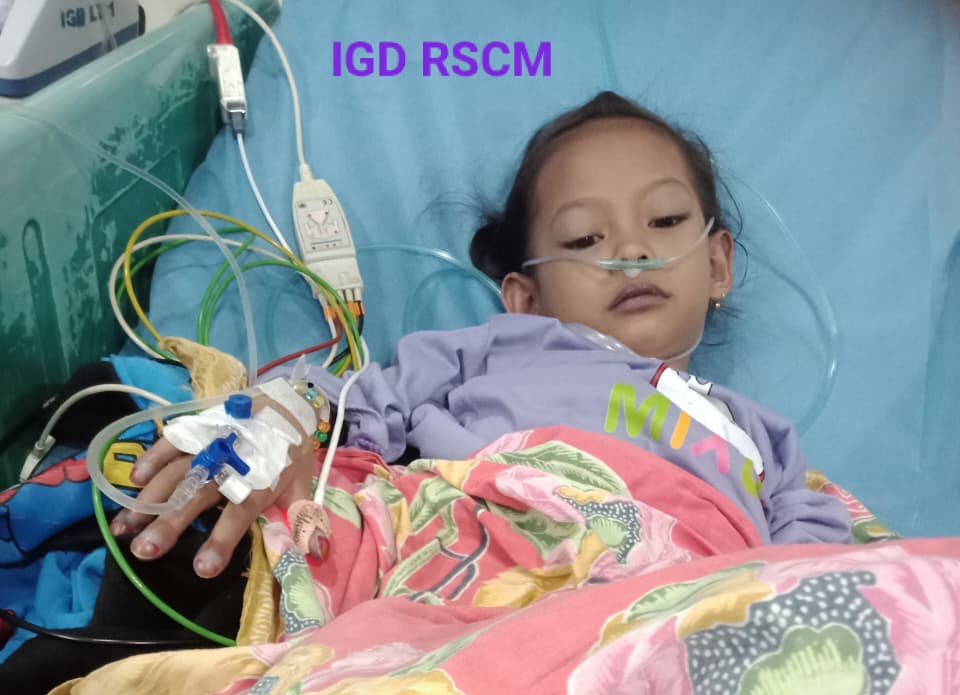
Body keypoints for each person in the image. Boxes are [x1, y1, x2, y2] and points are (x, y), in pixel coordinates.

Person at [113, 92, 852, 577]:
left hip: (680, 611)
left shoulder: (759, 438)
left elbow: (823, 576)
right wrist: (282, 417)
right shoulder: (493, 353)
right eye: (585, 237)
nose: (631, 250)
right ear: (524, 300)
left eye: (664, 221)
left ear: (718, 264)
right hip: (482, 579)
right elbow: (347, 403)